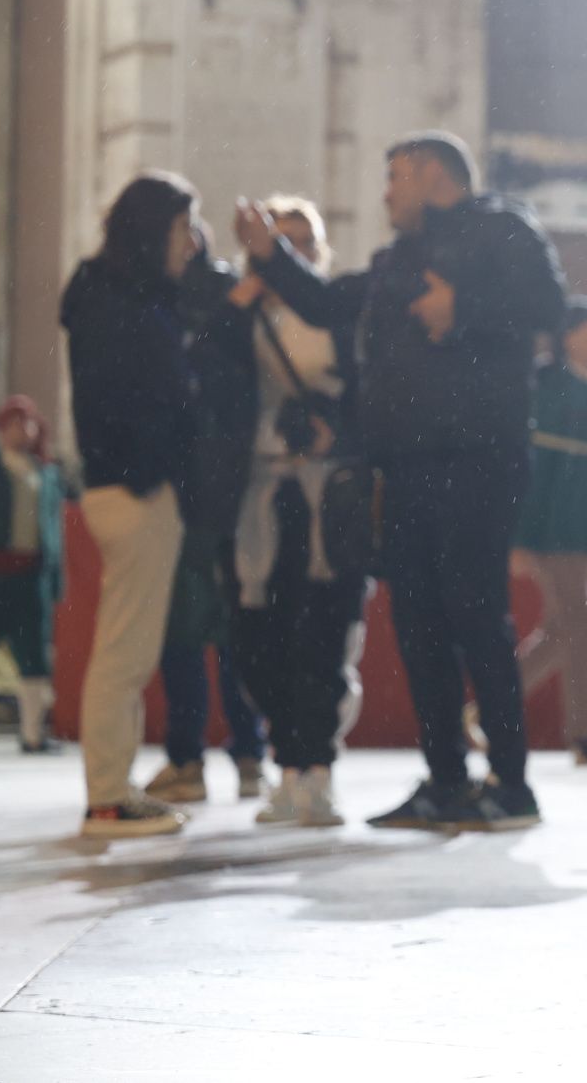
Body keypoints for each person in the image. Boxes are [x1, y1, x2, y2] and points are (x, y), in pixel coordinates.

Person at [235, 131, 566, 831]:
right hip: (405, 467)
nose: (385, 193)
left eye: (395, 177)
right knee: (419, 625)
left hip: (477, 459)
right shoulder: (398, 260)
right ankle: (445, 780)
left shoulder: (503, 229)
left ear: (432, 174)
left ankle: (511, 784)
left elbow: (547, 306)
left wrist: (463, 308)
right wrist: (270, 256)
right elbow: (327, 302)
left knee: (476, 615)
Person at [60, 172, 200, 837]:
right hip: (134, 489)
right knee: (125, 653)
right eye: (182, 228)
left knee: (128, 650)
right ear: (153, 230)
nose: (191, 243)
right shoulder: (126, 305)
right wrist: (153, 470)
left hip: (118, 484)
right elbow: (140, 396)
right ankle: (109, 798)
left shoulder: (105, 294)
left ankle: (115, 788)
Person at [226, 196, 370, 828]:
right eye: (279, 240)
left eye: (303, 242)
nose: (291, 252)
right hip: (260, 494)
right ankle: (286, 765)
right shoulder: (241, 313)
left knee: (326, 636)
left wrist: (332, 427)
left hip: (330, 494)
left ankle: (318, 770)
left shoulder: (340, 315)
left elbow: (370, 396)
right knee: (261, 640)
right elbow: (213, 383)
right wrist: (235, 307)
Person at [144, 233, 267, 807]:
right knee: (239, 630)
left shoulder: (169, 301)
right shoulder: (236, 298)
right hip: (238, 486)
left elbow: (179, 382)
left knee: (184, 634)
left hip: (190, 490)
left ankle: (187, 758)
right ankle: (250, 754)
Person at [510, 295, 587, 765]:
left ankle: (493, 703)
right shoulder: (551, 385)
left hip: (578, 530)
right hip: (553, 530)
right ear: (571, 336)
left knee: (565, 629)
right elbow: (536, 470)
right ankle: (584, 735)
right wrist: (521, 537)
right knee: (580, 624)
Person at [0, 396, 72, 753]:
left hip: (32, 576)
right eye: (15, 423)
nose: (22, 431)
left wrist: (55, 578)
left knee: (35, 656)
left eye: (27, 424)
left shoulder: (45, 472)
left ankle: (32, 733)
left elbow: (53, 527)